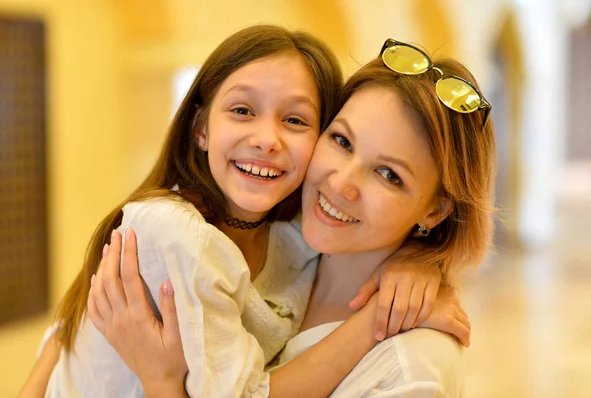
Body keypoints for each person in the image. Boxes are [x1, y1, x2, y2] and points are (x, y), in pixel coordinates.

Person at [33, 27, 451, 398]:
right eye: (242, 111)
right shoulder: (174, 232)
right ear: (201, 129)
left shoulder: (296, 235)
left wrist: (419, 264)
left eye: (294, 119)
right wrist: (378, 319)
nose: (266, 139)